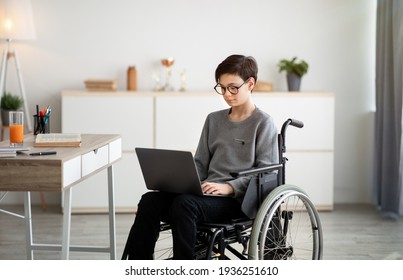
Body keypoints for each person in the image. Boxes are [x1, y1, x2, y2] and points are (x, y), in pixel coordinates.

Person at [123, 54, 278, 260]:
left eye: (233, 87)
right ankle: (138, 265)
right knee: (150, 200)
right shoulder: (214, 120)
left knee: (185, 205)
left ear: (250, 84)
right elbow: (200, 163)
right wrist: (178, 182)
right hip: (205, 193)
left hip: (238, 201)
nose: (227, 94)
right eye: (221, 88)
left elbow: (267, 173)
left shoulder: (263, 123)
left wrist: (230, 187)